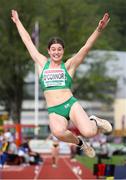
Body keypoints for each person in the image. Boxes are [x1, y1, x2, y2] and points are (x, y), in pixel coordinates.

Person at [11, 10, 112, 158]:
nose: (56, 52)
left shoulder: (69, 66)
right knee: (58, 132)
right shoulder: (41, 63)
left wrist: (99, 29)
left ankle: (94, 121)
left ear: (63, 51)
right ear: (48, 51)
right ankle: (80, 143)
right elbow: (27, 41)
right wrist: (18, 22)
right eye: (53, 49)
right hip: (54, 110)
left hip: (70, 104)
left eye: (59, 49)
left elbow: (86, 47)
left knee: (90, 132)